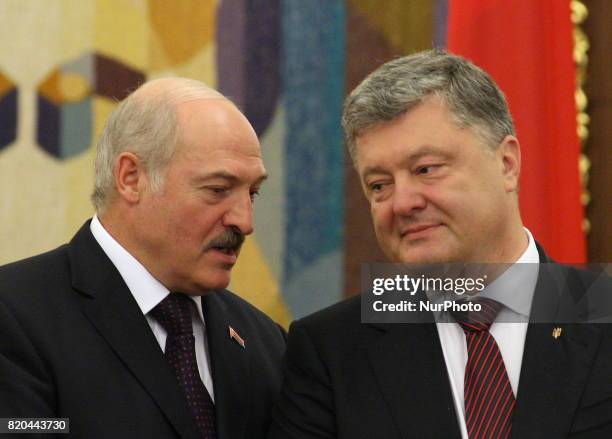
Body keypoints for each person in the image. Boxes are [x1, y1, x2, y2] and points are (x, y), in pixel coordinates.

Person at [268, 50, 612, 439]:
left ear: (507, 164)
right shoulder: (330, 351)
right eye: (379, 185)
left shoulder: (601, 308)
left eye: (425, 170)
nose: (402, 202)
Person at [0, 78, 286, 439]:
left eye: (253, 193)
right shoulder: (15, 316)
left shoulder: (266, 342)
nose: (244, 222)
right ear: (131, 178)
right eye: (218, 190)